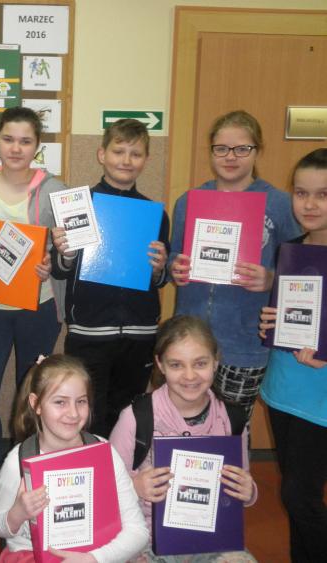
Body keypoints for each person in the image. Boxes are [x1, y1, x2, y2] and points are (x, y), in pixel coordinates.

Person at [169, 110, 301, 419]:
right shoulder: (189, 201)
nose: (231, 157)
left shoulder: (280, 204)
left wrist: (271, 279)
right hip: (190, 340)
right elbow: (175, 254)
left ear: (257, 150)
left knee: (233, 428)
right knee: (184, 425)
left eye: (242, 148)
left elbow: (302, 273)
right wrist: (176, 267)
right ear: (211, 151)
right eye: (222, 148)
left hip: (246, 343)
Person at [0, 106, 66, 482]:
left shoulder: (55, 190)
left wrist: (53, 263)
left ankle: (27, 464)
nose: (16, 148)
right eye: (8, 139)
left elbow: (71, 253)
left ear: (37, 146)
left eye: (25, 141)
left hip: (39, 305)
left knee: (34, 397)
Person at [51, 118, 170, 438]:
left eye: (136, 154)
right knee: (86, 416)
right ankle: (90, 467)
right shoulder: (79, 206)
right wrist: (65, 252)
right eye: (119, 151)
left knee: (127, 419)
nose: (126, 160)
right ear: (102, 154)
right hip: (89, 332)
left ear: (146, 160)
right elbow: (59, 270)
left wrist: (159, 267)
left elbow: (161, 278)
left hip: (139, 334)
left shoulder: (155, 214)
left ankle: (121, 470)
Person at [110, 315, 257, 561]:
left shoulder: (232, 418)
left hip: (211, 538)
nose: (190, 376)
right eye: (176, 365)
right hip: (147, 540)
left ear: (216, 362)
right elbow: (107, 491)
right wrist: (134, 487)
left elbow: (241, 481)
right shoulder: (136, 418)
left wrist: (248, 491)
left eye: (200, 363)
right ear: (160, 364)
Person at [0, 354, 148, 561]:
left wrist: (94, 558)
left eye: (81, 401)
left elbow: (138, 530)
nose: (73, 413)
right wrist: (18, 512)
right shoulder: (17, 461)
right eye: (60, 402)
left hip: (95, 555)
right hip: (32, 555)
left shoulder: (104, 453)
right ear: (36, 404)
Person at [258, 148, 327, 562]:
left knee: (300, 496)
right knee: (296, 494)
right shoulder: (291, 250)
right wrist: (271, 322)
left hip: (319, 401)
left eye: (323, 194)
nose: (310, 204)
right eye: (301, 193)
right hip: (282, 389)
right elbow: (289, 317)